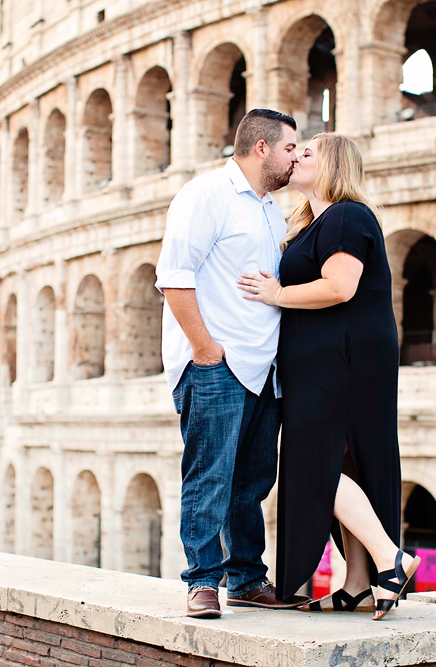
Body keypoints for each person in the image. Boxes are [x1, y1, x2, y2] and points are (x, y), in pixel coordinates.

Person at [237, 132, 420, 620]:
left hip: (342, 360)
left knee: (314, 464)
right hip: (329, 359)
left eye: (306, 152)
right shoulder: (314, 222)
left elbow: (340, 287)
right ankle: (358, 583)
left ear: (334, 165)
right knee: (346, 464)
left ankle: (389, 558)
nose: (294, 157)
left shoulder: (346, 215)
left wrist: (275, 295)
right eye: (293, 151)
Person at [155, 109, 309, 619]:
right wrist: (204, 348)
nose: (295, 158)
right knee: (209, 476)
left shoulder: (268, 209)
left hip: (264, 367)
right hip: (216, 364)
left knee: (252, 482)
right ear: (261, 148)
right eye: (290, 148)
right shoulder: (206, 196)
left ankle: (246, 578)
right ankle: (202, 581)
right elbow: (174, 276)